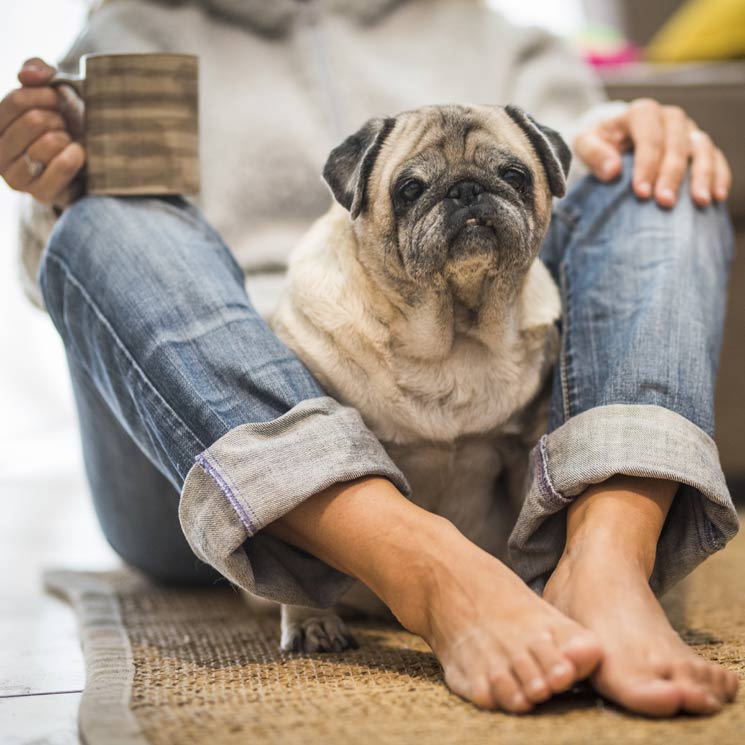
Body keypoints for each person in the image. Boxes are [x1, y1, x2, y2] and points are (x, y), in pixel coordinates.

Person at [2, 0, 739, 718]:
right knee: (102, 221)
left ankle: (603, 561)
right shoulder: (128, 30)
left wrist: (642, 131)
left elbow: (587, 172)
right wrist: (54, 192)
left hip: (498, 411)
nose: (466, 202)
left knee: (658, 176)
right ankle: (423, 570)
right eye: (419, 190)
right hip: (218, 428)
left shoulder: (498, 34)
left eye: (503, 179)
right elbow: (80, 275)